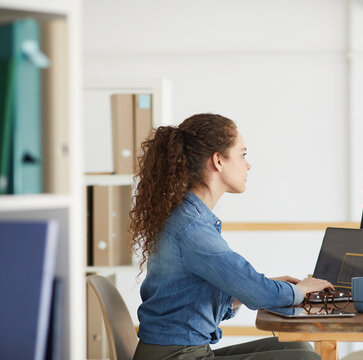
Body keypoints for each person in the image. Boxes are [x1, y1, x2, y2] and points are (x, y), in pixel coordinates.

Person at [130, 113, 333, 360]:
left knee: (301, 349)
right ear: (218, 161)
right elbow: (260, 294)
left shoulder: (190, 218)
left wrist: (253, 292)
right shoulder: (192, 229)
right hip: (176, 356)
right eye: (243, 154)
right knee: (306, 359)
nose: (248, 165)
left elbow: (193, 298)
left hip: (180, 351)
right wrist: (299, 290)